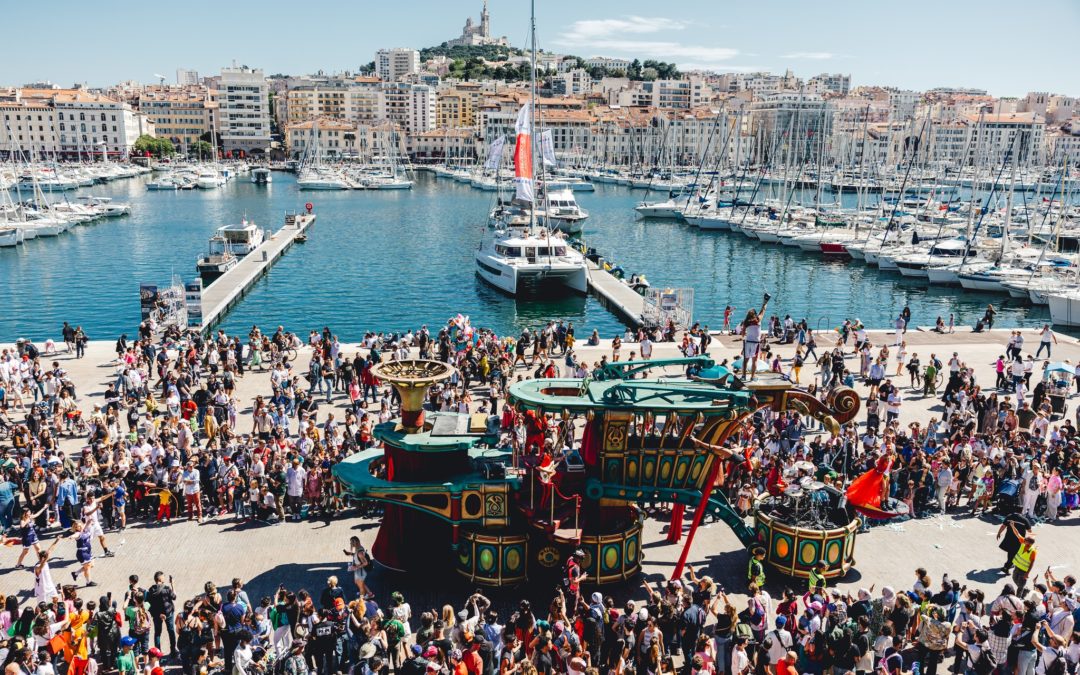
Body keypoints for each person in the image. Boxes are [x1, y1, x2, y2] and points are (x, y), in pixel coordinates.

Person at [740, 293, 771, 381]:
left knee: (745, 361)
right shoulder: (758, 320)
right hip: (755, 343)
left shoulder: (746, 322)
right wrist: (765, 302)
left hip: (747, 342)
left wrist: (746, 335)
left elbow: (742, 334)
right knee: (754, 361)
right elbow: (763, 310)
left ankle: (743, 376)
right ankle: (752, 377)